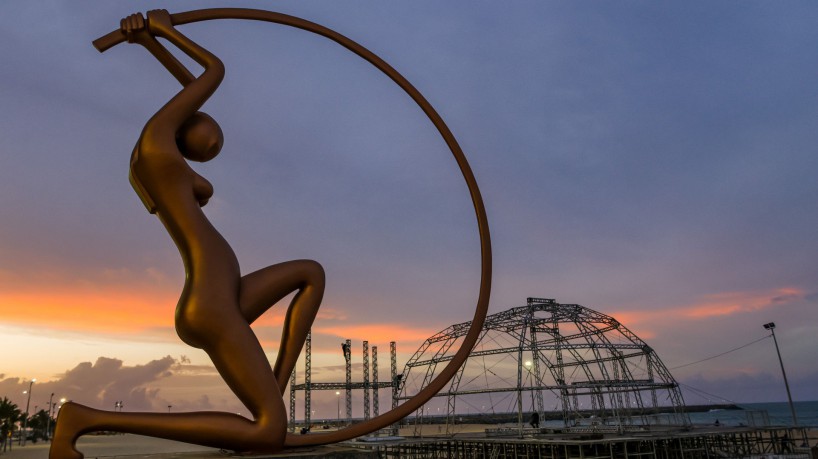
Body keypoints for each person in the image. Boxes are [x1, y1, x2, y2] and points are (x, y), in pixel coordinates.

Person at [50, 10, 324, 458]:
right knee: (266, 435)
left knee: (311, 272)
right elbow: (211, 73)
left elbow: (191, 94)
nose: (217, 139)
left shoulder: (168, 158)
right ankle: (82, 418)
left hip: (226, 293)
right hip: (212, 304)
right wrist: (164, 31)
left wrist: (150, 46)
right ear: (186, 127)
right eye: (209, 131)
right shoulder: (155, 147)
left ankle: (274, 389)